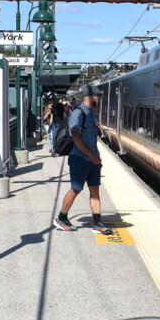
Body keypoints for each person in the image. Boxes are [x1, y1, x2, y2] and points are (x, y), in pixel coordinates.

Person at [54, 84, 111, 234]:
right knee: (76, 189)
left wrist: (94, 156)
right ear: (92, 97)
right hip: (80, 159)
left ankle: (97, 223)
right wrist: (91, 154)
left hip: (92, 160)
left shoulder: (90, 113)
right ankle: (61, 217)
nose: (99, 99)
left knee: (95, 189)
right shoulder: (78, 113)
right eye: (98, 96)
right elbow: (75, 136)